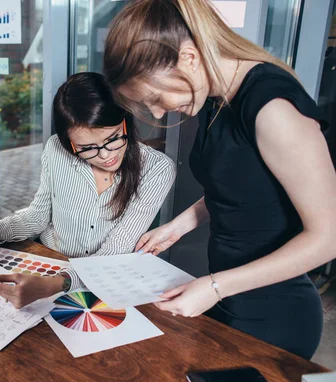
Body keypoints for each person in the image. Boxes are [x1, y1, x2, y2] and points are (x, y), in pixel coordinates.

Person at [103, 0, 336, 359]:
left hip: (276, 311)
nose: (157, 112)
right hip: (228, 296)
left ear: (189, 58)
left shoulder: (273, 108)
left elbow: (328, 238)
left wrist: (214, 286)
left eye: (154, 96)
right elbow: (241, 188)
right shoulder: (215, 97)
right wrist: (178, 227)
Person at [0, 72, 175, 308]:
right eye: (87, 148)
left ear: (126, 120)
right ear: (68, 143)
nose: (106, 155)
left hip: (104, 279)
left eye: (113, 138)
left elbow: (115, 251)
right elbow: (37, 217)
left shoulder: (157, 169)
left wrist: (55, 284)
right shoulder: (56, 149)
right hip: (50, 261)